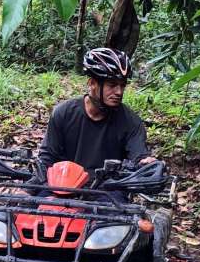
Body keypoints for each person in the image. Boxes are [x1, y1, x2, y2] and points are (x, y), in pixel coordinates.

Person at [37, 48, 156, 177]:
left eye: (122, 85)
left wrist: (147, 164)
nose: (119, 92)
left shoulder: (131, 122)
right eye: (112, 85)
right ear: (92, 83)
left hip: (107, 189)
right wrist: (28, 191)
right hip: (62, 185)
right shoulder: (64, 113)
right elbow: (47, 157)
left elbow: (139, 157)